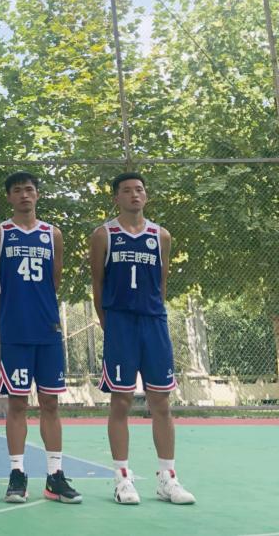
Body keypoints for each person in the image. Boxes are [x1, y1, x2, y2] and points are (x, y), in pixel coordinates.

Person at [90, 172, 195, 506]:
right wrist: (108, 322)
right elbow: (97, 284)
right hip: (120, 323)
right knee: (121, 400)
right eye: (126, 190)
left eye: (139, 190)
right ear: (116, 198)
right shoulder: (104, 235)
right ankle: (122, 478)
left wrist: (153, 313)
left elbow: (160, 284)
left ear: (146, 196)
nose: (134, 195)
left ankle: (168, 478)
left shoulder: (160, 236)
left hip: (153, 323)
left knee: (161, 401)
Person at [0, 171, 81, 505]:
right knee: (18, 403)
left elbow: (55, 279)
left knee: (51, 402)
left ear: (37, 194)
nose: (24, 194)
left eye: (29, 189)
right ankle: (17, 474)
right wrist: (5, 314)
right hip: (15, 332)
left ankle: (55, 476)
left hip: (47, 330)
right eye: (17, 190)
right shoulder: (0, 234)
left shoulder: (52, 234)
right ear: (9, 197)